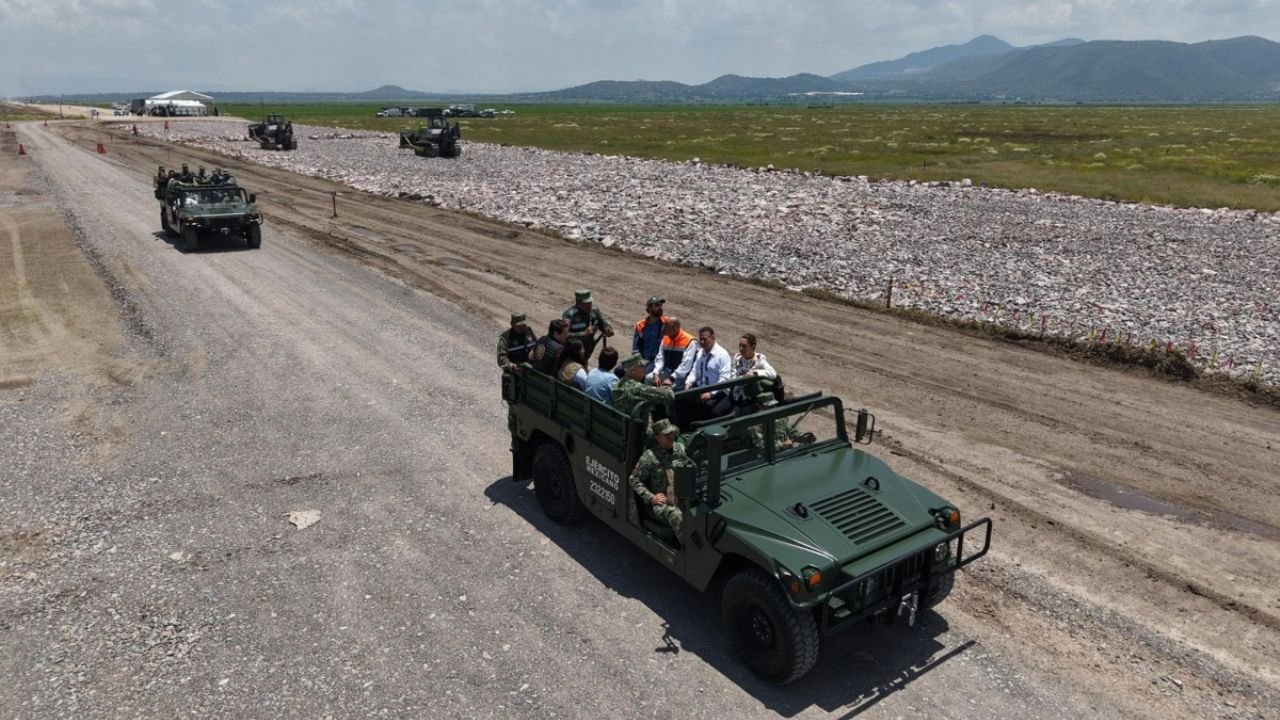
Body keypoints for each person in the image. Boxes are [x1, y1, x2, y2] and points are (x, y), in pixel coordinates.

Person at [629, 419, 687, 536]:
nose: (670, 437)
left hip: (681, 493)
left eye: (671, 433)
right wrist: (651, 498)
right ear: (658, 438)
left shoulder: (680, 449)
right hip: (664, 501)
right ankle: (686, 550)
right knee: (677, 516)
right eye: (666, 435)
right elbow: (634, 479)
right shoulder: (649, 457)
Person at [687, 326, 734, 418]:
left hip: (718, 391)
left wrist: (711, 393)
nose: (702, 342)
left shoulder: (722, 355)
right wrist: (688, 382)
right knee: (684, 400)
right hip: (701, 388)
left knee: (709, 408)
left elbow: (724, 379)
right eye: (700, 339)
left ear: (712, 338)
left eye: (705, 339)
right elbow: (694, 371)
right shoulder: (700, 353)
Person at [748, 394, 816, 451]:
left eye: (774, 405)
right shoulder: (755, 423)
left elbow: (792, 432)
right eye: (769, 405)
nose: (773, 407)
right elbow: (760, 445)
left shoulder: (780, 417)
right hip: (767, 459)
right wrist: (781, 446)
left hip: (786, 452)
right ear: (759, 405)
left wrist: (806, 438)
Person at [562, 289, 613, 358]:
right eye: (585, 303)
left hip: (588, 350)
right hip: (573, 353)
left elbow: (604, 324)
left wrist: (608, 330)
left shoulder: (594, 311)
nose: (589, 305)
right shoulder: (570, 315)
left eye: (590, 302)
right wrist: (583, 334)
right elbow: (563, 336)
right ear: (578, 302)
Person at [650, 316, 697, 389]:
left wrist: (671, 378)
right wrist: (656, 373)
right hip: (667, 371)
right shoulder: (665, 338)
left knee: (665, 389)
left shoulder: (690, 341)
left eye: (666, 327)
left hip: (681, 376)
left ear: (674, 329)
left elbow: (685, 365)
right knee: (648, 379)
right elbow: (660, 358)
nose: (663, 329)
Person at [631, 296, 668, 375]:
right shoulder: (640, 325)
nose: (660, 308)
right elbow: (636, 349)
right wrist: (639, 363)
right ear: (649, 309)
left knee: (642, 375)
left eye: (660, 305)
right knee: (619, 371)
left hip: (659, 361)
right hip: (644, 360)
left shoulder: (666, 323)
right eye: (657, 306)